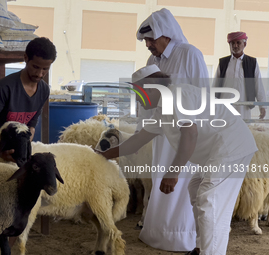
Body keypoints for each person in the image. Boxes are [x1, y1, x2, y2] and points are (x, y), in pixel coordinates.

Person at [97, 64, 257, 255]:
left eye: (138, 92)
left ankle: (211, 252)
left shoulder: (179, 95)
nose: (137, 98)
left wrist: (172, 173)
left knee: (209, 200)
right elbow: (137, 141)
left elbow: (190, 134)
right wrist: (101, 154)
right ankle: (200, 247)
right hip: (217, 151)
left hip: (231, 146)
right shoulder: (162, 110)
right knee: (196, 188)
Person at [0, 37, 57, 255]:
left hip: (15, 152)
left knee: (18, 208)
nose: (39, 73)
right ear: (25, 59)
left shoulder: (43, 90)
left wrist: (23, 151)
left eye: (45, 68)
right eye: (36, 66)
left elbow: (31, 124)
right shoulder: (5, 87)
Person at [135, 8, 209, 251]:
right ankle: (157, 232)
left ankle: (183, 237)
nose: (148, 44)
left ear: (166, 35)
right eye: (145, 40)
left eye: (151, 39)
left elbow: (202, 95)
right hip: (162, 132)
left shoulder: (190, 54)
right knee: (160, 179)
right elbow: (147, 100)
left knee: (182, 182)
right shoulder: (151, 61)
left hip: (187, 134)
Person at [214, 31, 266, 120]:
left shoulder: (252, 63)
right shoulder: (223, 63)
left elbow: (258, 85)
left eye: (238, 43)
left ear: (244, 44)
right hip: (225, 107)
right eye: (232, 43)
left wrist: (262, 106)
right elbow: (215, 85)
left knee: (243, 131)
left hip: (244, 108)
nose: (235, 46)